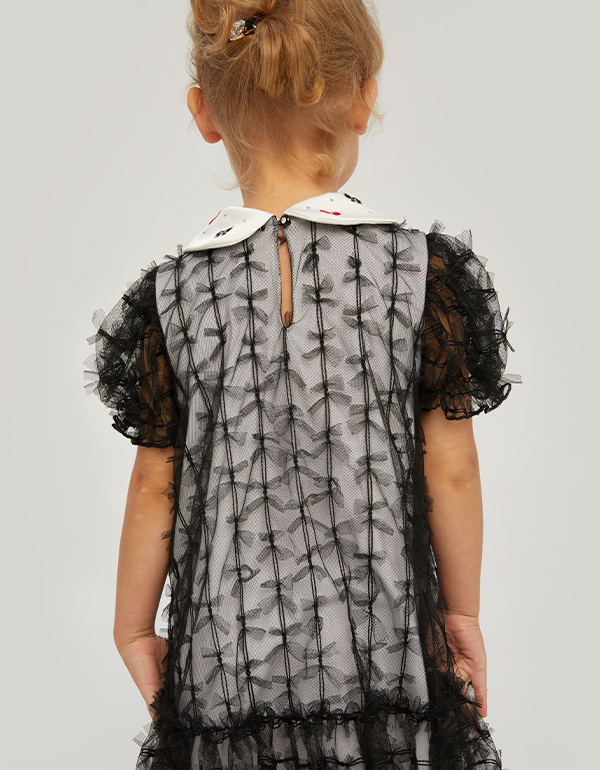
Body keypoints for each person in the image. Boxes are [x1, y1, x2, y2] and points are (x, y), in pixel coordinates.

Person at [85, 1, 521, 768]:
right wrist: (461, 615)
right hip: (383, 656)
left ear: (203, 113)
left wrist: (132, 627)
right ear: (362, 101)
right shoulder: (420, 276)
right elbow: (451, 467)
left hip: (229, 668)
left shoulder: (175, 298)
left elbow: (156, 481)